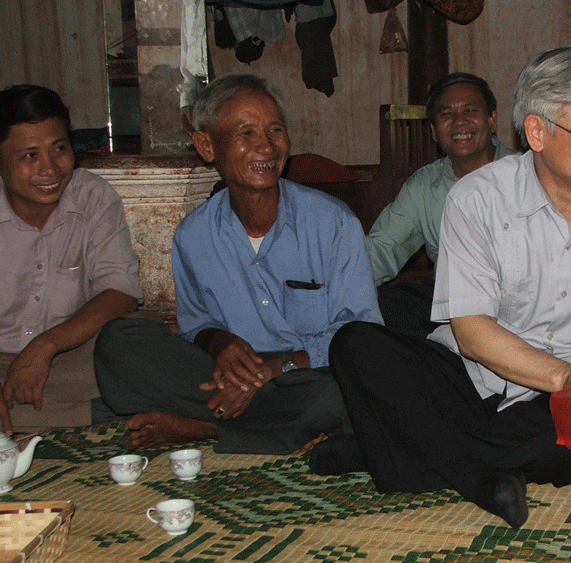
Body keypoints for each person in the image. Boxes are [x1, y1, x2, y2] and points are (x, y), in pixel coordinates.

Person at [329, 46, 571, 528]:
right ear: (537, 132)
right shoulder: (476, 200)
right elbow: (471, 331)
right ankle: (471, 470)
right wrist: (560, 374)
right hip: (477, 378)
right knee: (355, 346)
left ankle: (400, 447)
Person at [93, 75, 382, 461]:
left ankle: (206, 428)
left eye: (275, 130)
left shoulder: (333, 223)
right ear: (207, 145)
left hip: (305, 374)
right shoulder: (193, 235)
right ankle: (270, 427)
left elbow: (362, 334)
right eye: (246, 133)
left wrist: (278, 367)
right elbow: (195, 324)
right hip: (231, 376)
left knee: (341, 393)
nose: (266, 146)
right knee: (119, 341)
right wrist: (221, 346)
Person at [0, 85, 141, 435]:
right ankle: (77, 416)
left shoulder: (93, 196)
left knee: (136, 344)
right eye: (29, 156)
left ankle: (6, 420)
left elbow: (121, 291)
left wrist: (45, 346)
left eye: (59, 149)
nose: (50, 169)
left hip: (65, 358)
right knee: (126, 397)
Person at [367, 72, 516, 338]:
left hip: (520, 307)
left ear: (492, 120)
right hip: (454, 311)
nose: (459, 122)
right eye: (447, 114)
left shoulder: (529, 176)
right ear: (434, 131)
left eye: (470, 110)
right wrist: (332, 292)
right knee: (383, 305)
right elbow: (381, 250)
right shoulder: (426, 185)